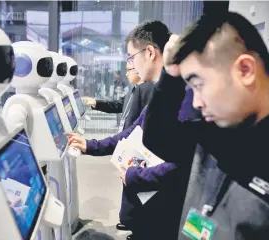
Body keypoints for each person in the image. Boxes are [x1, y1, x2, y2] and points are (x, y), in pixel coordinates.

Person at [143, 12, 269, 240]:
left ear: (245, 71)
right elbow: (157, 137)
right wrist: (171, 75)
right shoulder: (218, 132)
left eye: (199, 85)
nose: (196, 102)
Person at [68, 20, 199, 240]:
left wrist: (136, 175)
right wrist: (90, 145)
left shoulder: (185, 99)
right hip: (150, 208)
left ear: (149, 52)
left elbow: (182, 166)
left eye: (131, 57)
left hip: (168, 211)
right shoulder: (160, 96)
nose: (130, 64)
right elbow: (131, 132)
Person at [82, 62, 154, 131]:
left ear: (139, 69)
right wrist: (95, 102)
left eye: (129, 70)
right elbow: (117, 105)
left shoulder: (149, 93)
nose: (126, 74)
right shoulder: (134, 90)